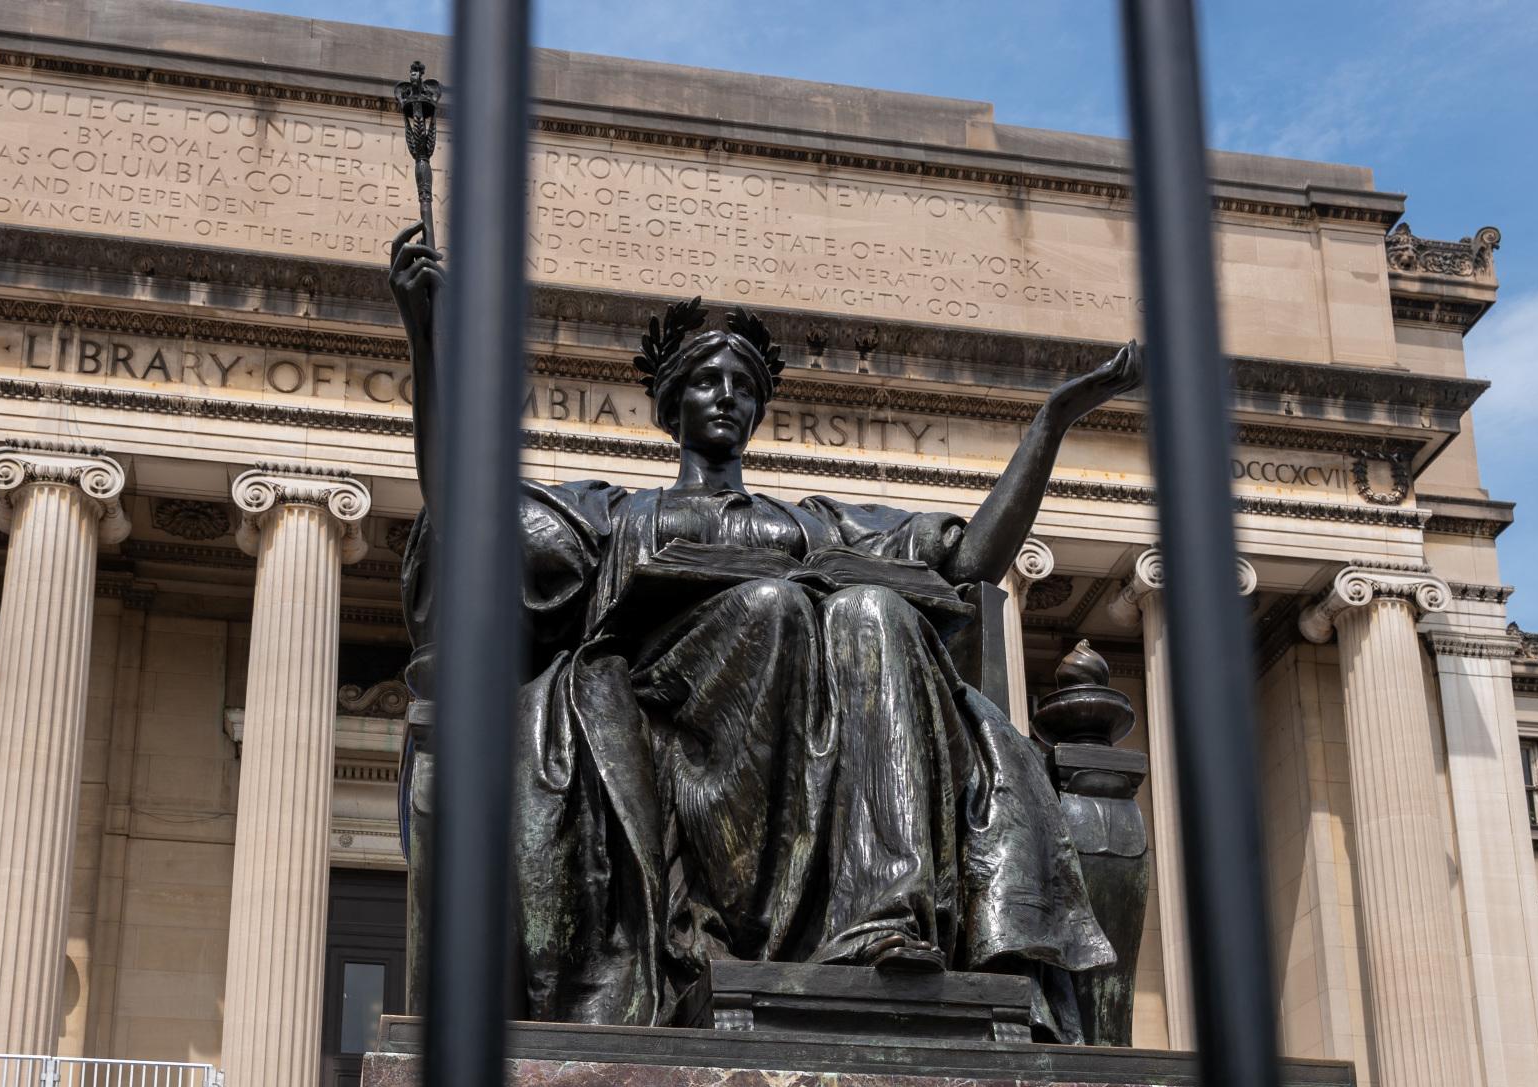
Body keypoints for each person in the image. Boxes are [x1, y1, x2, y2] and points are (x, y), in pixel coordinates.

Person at [391, 222, 1142, 1035]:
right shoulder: (617, 514)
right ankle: (732, 932)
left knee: (873, 610)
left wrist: (1052, 425)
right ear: (671, 403)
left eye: (743, 387)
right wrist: (426, 341)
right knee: (772, 606)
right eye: (708, 381)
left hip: (814, 735)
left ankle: (884, 916)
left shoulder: (814, 523)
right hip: (670, 718)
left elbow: (969, 566)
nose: (727, 397)